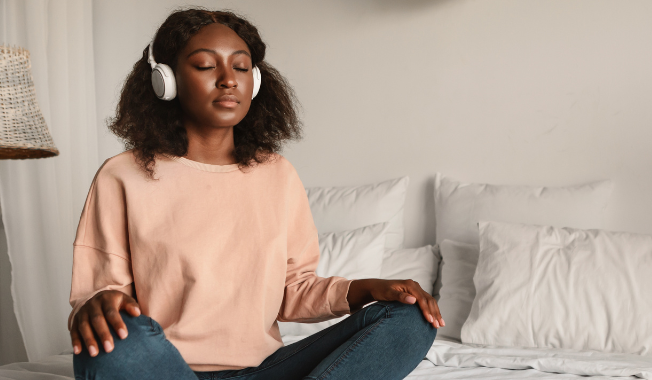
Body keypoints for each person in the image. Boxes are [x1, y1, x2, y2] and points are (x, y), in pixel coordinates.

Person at [67, 7, 441, 380]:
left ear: (256, 81)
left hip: (265, 371)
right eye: (205, 65)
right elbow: (101, 298)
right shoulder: (122, 176)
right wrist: (99, 304)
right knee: (114, 341)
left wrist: (366, 288)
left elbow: (293, 291)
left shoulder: (277, 174)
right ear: (166, 80)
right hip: (164, 367)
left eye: (241, 67)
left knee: (411, 317)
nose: (229, 80)